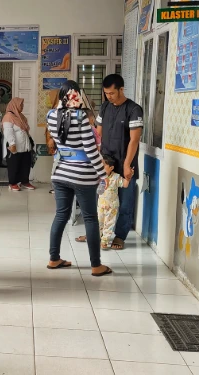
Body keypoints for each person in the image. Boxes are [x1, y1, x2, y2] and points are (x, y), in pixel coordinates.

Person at [46, 80, 111, 277]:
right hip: (83, 175)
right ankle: (96, 265)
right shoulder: (81, 117)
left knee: (60, 216)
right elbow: (91, 150)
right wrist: (102, 174)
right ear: (77, 95)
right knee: (90, 218)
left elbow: (58, 142)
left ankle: (54, 258)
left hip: (60, 172)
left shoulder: (51, 115)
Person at [96, 74, 143, 250]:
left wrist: (126, 164)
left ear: (121, 89)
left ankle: (120, 236)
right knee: (102, 201)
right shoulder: (105, 107)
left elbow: (134, 140)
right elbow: (98, 134)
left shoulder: (133, 109)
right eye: (106, 93)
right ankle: (99, 232)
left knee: (125, 201)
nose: (109, 96)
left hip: (125, 163)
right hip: (105, 165)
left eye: (112, 93)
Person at [98, 154, 130, 249]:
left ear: (111, 167)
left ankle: (104, 241)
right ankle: (97, 238)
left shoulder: (116, 177)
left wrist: (128, 178)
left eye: (103, 166)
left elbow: (124, 185)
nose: (101, 168)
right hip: (101, 205)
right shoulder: (99, 177)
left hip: (112, 207)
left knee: (108, 224)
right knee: (99, 222)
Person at [3, 97, 35, 192]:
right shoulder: (8, 116)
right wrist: (12, 143)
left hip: (25, 146)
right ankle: (12, 183)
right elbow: (8, 131)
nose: (22, 106)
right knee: (14, 165)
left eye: (22, 105)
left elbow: (25, 131)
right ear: (15, 105)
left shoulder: (20, 116)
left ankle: (25, 181)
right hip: (15, 146)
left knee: (25, 164)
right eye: (21, 105)